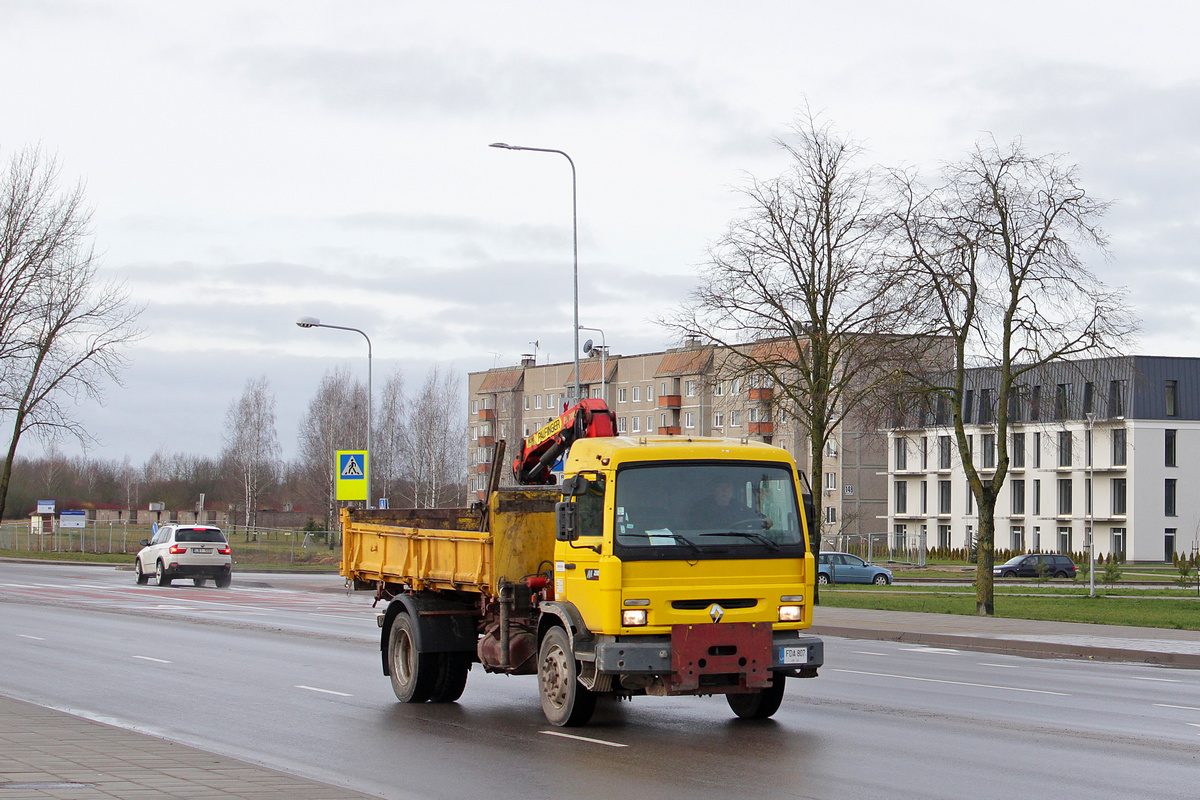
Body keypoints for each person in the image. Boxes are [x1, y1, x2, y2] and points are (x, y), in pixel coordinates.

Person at [685, 476, 762, 530]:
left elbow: (754, 516)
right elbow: (693, 528)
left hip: (736, 543)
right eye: (720, 487)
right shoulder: (700, 508)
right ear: (714, 490)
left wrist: (764, 520)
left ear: (732, 490)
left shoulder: (739, 507)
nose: (724, 490)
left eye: (728, 487)